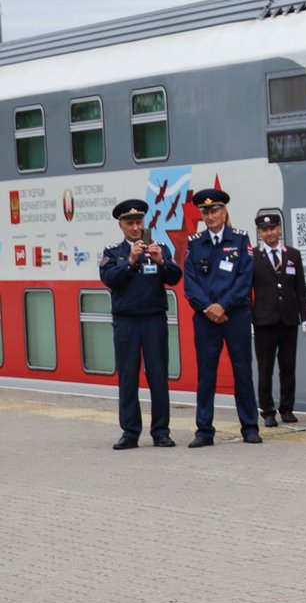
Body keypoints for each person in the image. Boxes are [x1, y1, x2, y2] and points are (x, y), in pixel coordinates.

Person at [182, 188, 262, 446]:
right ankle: (204, 430)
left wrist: (223, 306)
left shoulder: (240, 240)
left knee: (242, 371)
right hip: (206, 319)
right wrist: (208, 307)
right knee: (206, 374)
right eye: (205, 211)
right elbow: (190, 283)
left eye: (214, 209)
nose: (210, 215)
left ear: (224, 211)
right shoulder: (194, 243)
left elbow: (244, 279)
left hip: (235, 316)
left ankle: (250, 427)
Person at [100, 199, 182, 449]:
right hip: (126, 323)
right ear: (121, 226)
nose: (136, 228)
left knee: (158, 377)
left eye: (139, 222)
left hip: (153, 320)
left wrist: (161, 261)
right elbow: (109, 279)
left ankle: (161, 432)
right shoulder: (113, 253)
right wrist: (130, 261)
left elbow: (175, 277)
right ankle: (130, 432)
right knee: (127, 378)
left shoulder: (159, 248)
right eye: (130, 223)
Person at [250, 208, 306, 427]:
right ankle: (267, 410)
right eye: (264, 230)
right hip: (264, 320)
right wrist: (249, 318)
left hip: (288, 318)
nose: (269, 233)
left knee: (288, 365)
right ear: (259, 232)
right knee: (265, 367)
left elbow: (300, 287)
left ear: (279, 229)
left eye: (273, 228)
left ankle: (287, 408)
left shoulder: (292, 254)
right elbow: (247, 290)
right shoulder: (253, 256)